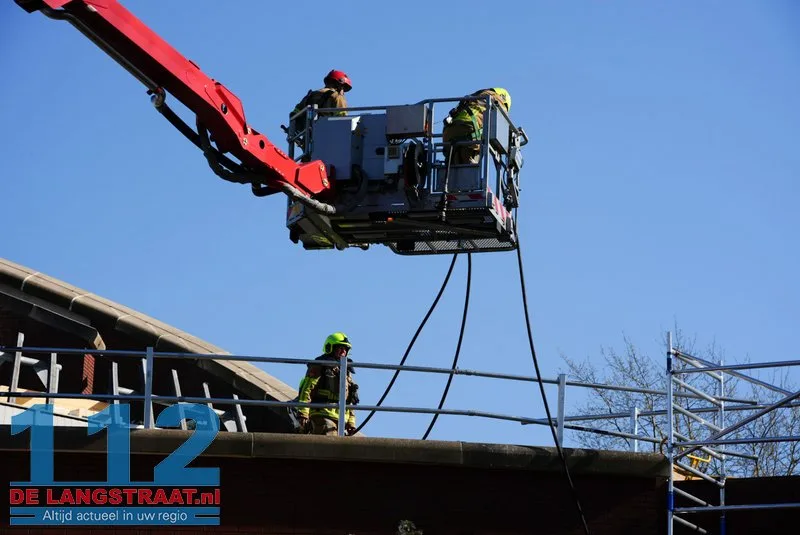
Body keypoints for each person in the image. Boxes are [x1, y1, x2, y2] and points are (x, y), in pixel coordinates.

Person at [296, 332, 359, 436]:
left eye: (345, 349)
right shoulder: (320, 365)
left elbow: (349, 398)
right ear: (330, 348)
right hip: (322, 414)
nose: (343, 351)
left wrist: (351, 422)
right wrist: (303, 412)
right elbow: (307, 388)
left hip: (341, 419)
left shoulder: (346, 370)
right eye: (340, 348)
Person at [442, 87, 511, 165]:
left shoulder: (474, 98)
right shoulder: (498, 100)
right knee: (480, 150)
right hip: (469, 132)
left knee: (454, 166)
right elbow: (503, 124)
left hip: (448, 135)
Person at [288, 69, 353, 137]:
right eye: (343, 88)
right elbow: (342, 119)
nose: (343, 92)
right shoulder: (337, 96)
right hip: (327, 135)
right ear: (339, 85)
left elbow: (294, 114)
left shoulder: (311, 95)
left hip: (307, 135)